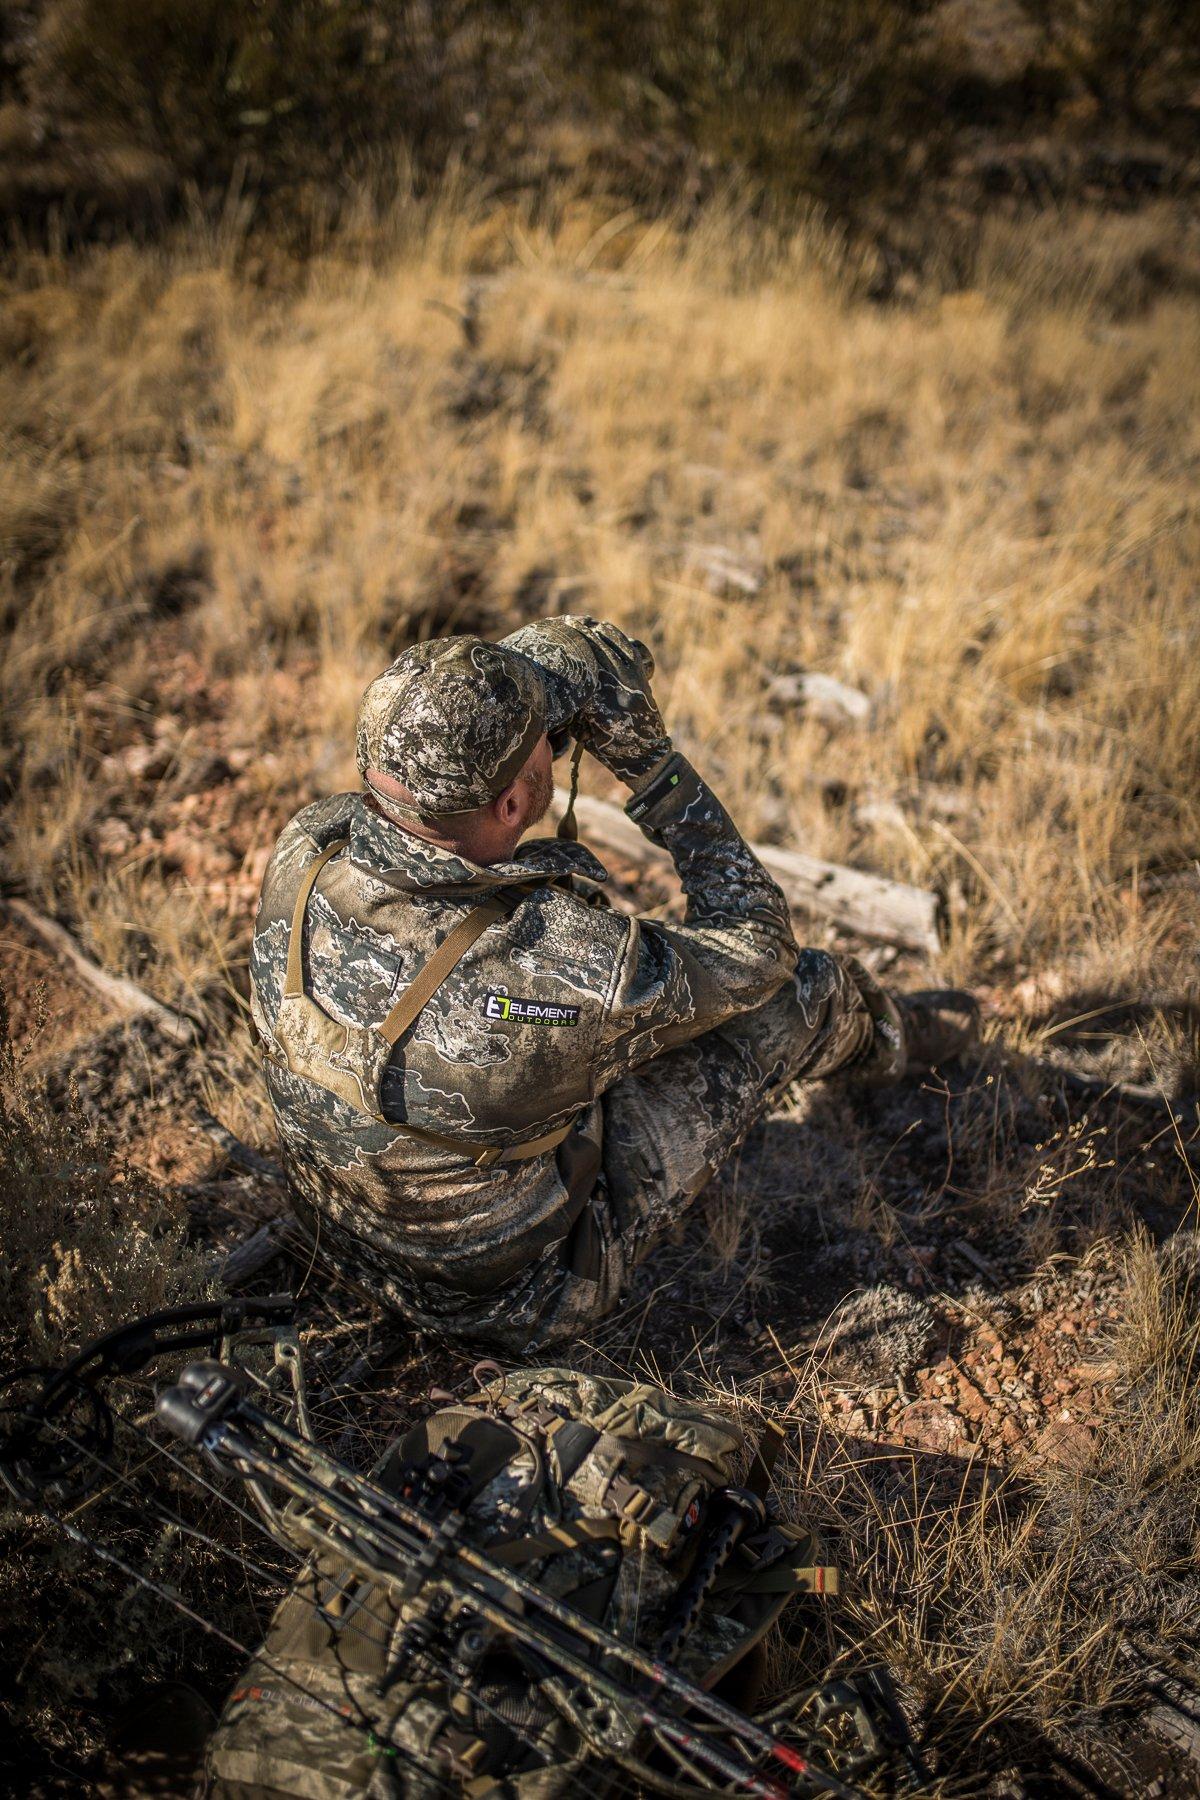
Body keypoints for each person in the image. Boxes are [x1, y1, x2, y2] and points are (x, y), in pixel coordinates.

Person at [249, 617, 977, 1351]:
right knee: (807, 992)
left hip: (344, 1237)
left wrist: (516, 731)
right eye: (547, 742)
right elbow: (761, 944)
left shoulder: (306, 847)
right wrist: (649, 762)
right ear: (509, 807)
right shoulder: (564, 962)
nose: (558, 741)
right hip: (514, 1299)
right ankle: (895, 1043)